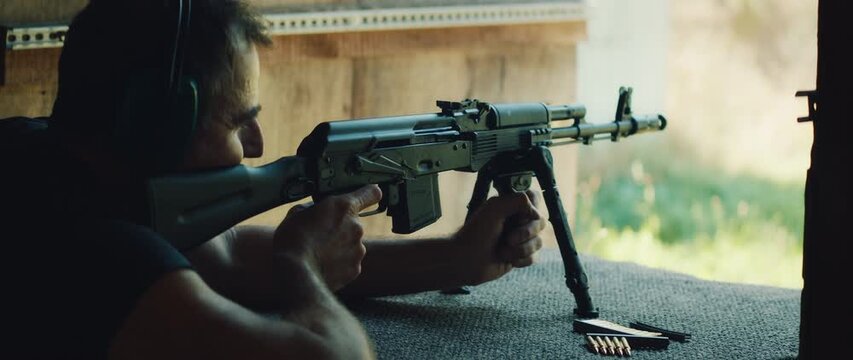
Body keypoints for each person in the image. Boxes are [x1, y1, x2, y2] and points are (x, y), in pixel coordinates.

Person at [4, 0, 546, 359]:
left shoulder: (39, 156)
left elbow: (229, 256)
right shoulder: (92, 246)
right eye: (240, 122)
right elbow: (333, 356)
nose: (258, 145)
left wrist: (455, 258)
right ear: (157, 123)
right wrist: (300, 268)